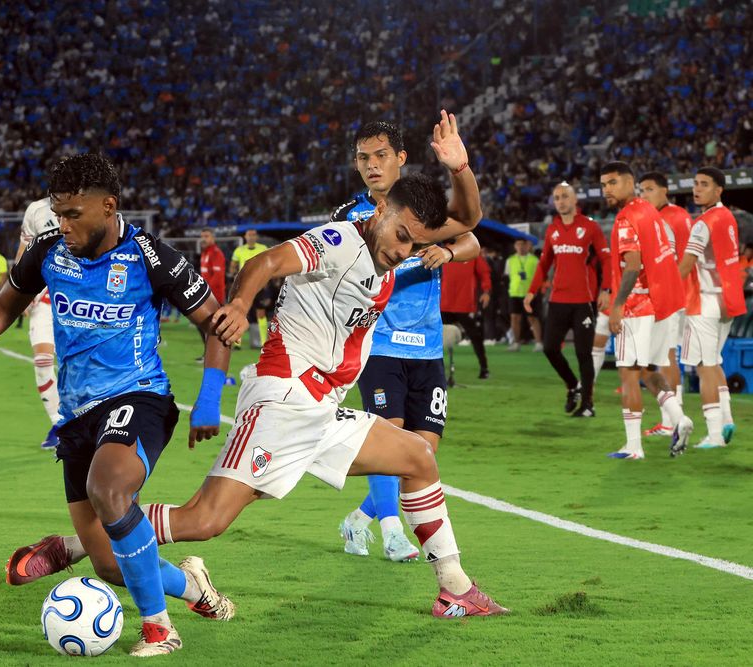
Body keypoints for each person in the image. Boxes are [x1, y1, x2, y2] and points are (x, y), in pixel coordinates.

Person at [142, 112, 507, 619]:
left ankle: (454, 587)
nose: (404, 251)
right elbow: (264, 263)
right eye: (401, 238)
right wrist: (244, 306)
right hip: (284, 398)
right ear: (381, 214)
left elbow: (467, 223)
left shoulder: (400, 228)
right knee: (205, 520)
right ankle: (82, 542)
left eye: (413, 245)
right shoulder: (341, 238)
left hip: (322, 405)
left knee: (418, 458)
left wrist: (461, 167)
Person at [0, 153, 235, 656]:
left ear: (108, 207)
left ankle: (160, 629)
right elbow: (5, 304)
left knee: (109, 490)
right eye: (57, 213)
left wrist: (209, 399)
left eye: (73, 215)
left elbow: (216, 323)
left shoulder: (149, 255)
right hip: (78, 416)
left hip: (139, 397)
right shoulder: (49, 251)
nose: (62, 225)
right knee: (111, 564)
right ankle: (193, 585)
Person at [331, 120, 482, 563]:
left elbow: (471, 236)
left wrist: (448, 251)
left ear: (401, 158)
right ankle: (395, 531)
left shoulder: (426, 209)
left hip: (427, 348)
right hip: (376, 344)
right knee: (389, 440)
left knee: (421, 455)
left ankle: (359, 519)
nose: (372, 166)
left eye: (381, 156)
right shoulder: (353, 215)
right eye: (363, 158)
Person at [600, 162, 693, 460]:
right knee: (650, 370)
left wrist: (617, 306)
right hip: (663, 303)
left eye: (613, 183)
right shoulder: (650, 212)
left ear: (630, 183)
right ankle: (680, 417)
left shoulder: (627, 218)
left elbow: (633, 265)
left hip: (637, 306)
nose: (607, 190)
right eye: (603, 185)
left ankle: (633, 447)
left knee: (628, 373)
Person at [524, 182, 611, 417]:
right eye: (557, 197)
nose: (560, 201)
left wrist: (607, 289)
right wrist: (532, 291)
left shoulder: (590, 227)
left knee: (584, 354)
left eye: (564, 197)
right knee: (550, 348)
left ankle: (588, 404)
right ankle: (573, 386)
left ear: (574, 201)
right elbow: (544, 264)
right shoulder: (552, 230)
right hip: (557, 300)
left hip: (583, 301)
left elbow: (607, 259)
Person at [679, 167, 746, 448]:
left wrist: (662, 291)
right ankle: (727, 419)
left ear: (719, 189)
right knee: (714, 362)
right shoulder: (727, 216)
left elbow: (686, 264)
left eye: (704, 184)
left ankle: (715, 434)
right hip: (727, 299)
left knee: (704, 367)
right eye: (695, 183)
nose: (697, 189)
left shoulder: (703, 223)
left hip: (705, 301)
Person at [638, 171, 693, 435]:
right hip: (672, 296)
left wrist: (665, 291)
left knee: (666, 355)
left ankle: (673, 421)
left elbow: (681, 261)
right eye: (642, 190)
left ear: (664, 190)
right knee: (664, 356)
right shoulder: (669, 216)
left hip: (672, 297)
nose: (644, 195)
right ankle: (672, 418)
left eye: (649, 189)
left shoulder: (674, 218)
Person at [15, 197, 62, 449]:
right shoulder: (36, 209)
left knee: (78, 363)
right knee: (43, 362)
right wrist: (19, 293)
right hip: (43, 296)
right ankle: (59, 423)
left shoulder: (89, 205)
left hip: (80, 295)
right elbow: (23, 252)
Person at [441, 253, 492, 379]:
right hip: (444, 303)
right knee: (435, 338)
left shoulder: (472, 251)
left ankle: (484, 368)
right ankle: (431, 369)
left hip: (464, 304)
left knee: (475, 336)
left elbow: (484, 272)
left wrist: (486, 291)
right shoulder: (442, 250)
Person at [229, 229, 269, 348]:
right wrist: (235, 276)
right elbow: (232, 266)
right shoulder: (239, 250)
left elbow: (269, 264)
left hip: (260, 284)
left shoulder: (263, 248)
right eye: (249, 235)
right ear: (245, 237)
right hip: (244, 286)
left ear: (256, 237)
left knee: (261, 313)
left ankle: (264, 343)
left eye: (253, 235)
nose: (251, 237)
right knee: (241, 312)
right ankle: (237, 343)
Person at [505, 239, 543, 352]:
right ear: (515, 246)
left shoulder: (534, 260)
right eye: (518, 244)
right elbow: (507, 276)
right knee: (515, 318)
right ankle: (516, 343)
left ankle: (539, 343)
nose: (521, 247)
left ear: (527, 246)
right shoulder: (510, 260)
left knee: (532, 318)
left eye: (523, 244)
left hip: (530, 294)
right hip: (514, 293)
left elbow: (539, 277)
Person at [196, 227, 227, 360]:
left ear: (213, 238)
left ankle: (214, 356)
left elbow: (217, 277)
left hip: (213, 296)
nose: (204, 238)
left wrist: (207, 293)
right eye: (202, 236)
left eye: (207, 236)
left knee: (211, 327)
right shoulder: (205, 253)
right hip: (207, 294)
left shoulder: (215, 253)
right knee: (205, 326)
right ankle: (209, 355)